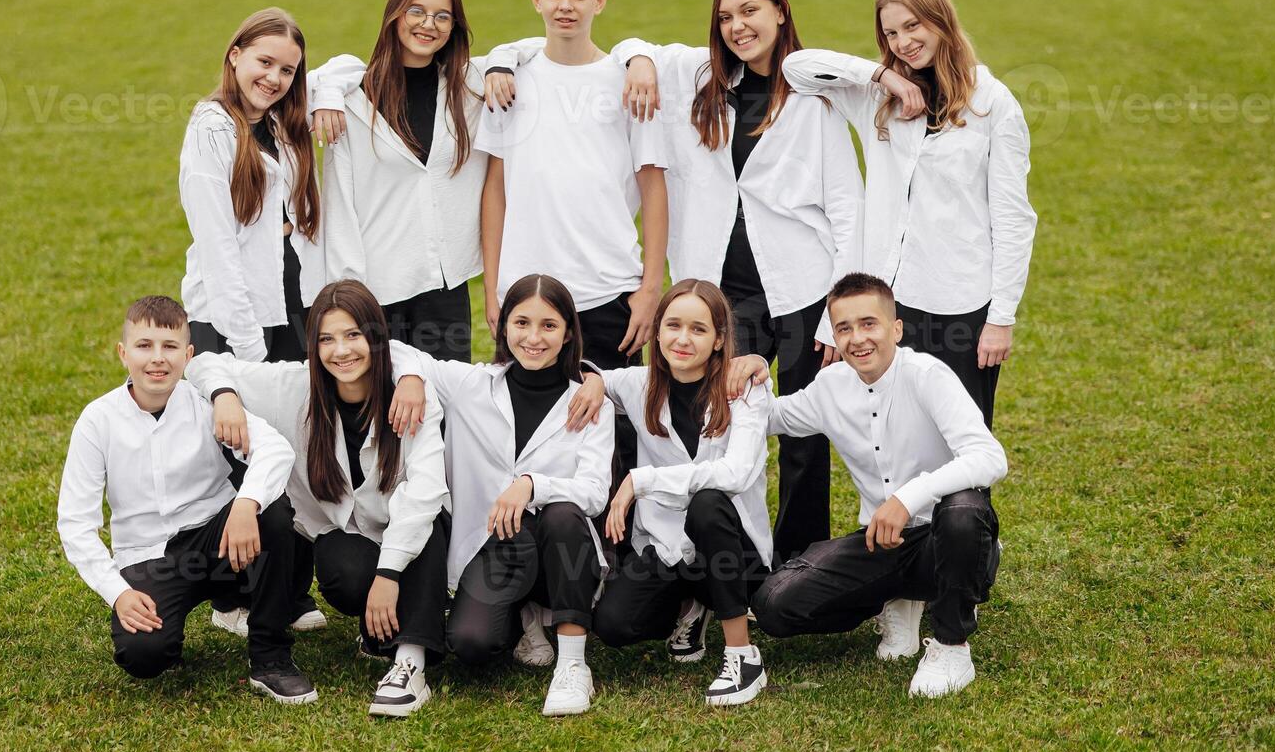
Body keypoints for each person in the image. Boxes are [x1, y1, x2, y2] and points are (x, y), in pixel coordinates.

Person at [597, 0, 864, 561]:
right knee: (713, 425)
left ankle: (799, 564)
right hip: (722, 298)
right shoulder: (701, 78)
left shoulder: (814, 100)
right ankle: (718, 562)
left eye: (750, 11)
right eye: (726, 17)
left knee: (802, 435)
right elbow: (629, 46)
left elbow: (848, 208)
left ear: (780, 13)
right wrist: (640, 63)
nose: (738, 26)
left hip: (803, 293)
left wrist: (835, 316)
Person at [782, 0, 1037, 428]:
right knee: (898, 441)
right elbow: (795, 68)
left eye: (913, 26)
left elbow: (1013, 218)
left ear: (941, 21)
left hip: (960, 304)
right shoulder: (876, 99)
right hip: (889, 308)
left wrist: (1001, 318)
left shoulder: (994, 104)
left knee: (962, 444)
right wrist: (883, 76)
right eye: (891, 32)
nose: (903, 42)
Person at [185, 280, 449, 717]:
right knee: (340, 570)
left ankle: (410, 665)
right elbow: (205, 362)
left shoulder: (410, 396)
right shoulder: (297, 387)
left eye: (352, 335)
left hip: (418, 530)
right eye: (326, 339)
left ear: (375, 338)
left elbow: (425, 494)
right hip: (354, 536)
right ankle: (381, 630)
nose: (340, 351)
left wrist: (387, 575)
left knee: (423, 519)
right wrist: (224, 396)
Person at [748, 273, 1007, 698]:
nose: (857, 339)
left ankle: (951, 644)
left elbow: (989, 457)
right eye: (844, 328)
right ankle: (895, 598)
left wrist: (907, 497)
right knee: (775, 604)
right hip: (881, 542)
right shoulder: (830, 385)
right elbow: (772, 417)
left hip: (943, 535)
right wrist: (755, 372)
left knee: (963, 510)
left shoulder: (927, 374)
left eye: (869, 324)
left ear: (896, 328)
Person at [55, 296, 315, 704]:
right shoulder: (97, 420)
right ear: (123, 353)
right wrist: (118, 592)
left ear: (188, 354)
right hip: (148, 555)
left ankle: (270, 658)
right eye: (144, 346)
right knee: (144, 655)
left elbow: (277, 449)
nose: (157, 359)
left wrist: (246, 503)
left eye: (170, 347)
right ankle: (188, 615)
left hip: (220, 540)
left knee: (273, 512)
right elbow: (75, 523)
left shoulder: (206, 402)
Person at [390, 274, 614, 717]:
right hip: (492, 545)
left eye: (549, 326)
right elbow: (396, 349)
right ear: (503, 327)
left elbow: (593, 492)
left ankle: (572, 665)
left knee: (563, 514)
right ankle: (524, 617)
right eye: (522, 323)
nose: (533, 338)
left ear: (569, 332)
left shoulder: (591, 403)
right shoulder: (471, 385)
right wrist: (413, 378)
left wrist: (532, 484)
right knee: (472, 644)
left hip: (557, 548)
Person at [306, 0, 542, 361]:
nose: (428, 25)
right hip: (375, 293)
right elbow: (339, 207)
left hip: (445, 290)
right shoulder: (352, 99)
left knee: (446, 409)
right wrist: (347, 296)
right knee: (381, 413)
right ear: (395, 15)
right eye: (416, 11)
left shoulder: (468, 87)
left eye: (442, 16)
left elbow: (539, 45)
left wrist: (501, 61)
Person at [575, 280, 774, 707]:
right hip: (667, 547)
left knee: (708, 503)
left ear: (720, 339)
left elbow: (736, 473)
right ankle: (691, 608)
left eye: (699, 330)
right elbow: (599, 378)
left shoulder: (746, 389)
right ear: (658, 331)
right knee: (614, 626)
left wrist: (641, 481)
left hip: (733, 553)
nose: (683, 339)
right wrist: (592, 381)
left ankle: (742, 655)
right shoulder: (640, 383)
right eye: (673, 325)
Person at [477, 0, 669, 374]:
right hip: (524, 294)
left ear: (599, 1)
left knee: (611, 429)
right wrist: (493, 288)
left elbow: (653, 187)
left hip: (608, 289)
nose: (566, 5)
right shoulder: (509, 81)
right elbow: (495, 191)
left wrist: (649, 290)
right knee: (522, 428)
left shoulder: (630, 81)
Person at [179, 7, 324, 365]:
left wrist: (331, 97)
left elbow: (350, 70)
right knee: (235, 422)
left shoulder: (285, 123)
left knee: (291, 421)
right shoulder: (212, 128)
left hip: (293, 307)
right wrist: (246, 341)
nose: (274, 78)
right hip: (231, 322)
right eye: (265, 62)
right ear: (235, 55)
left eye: (287, 70)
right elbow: (217, 246)